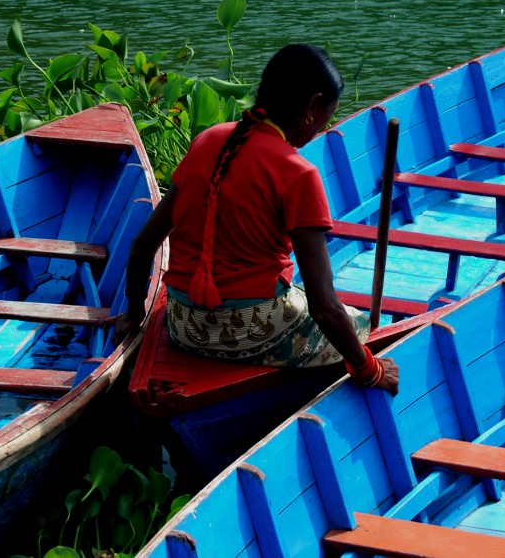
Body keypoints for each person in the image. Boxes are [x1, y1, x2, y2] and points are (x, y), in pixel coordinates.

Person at [119, 43, 398, 395]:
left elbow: (141, 248)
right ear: (311, 108)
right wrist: (370, 369)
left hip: (183, 326)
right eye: (325, 118)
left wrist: (133, 314)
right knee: (358, 323)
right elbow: (325, 308)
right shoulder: (297, 173)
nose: (319, 130)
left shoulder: (207, 140)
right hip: (250, 331)